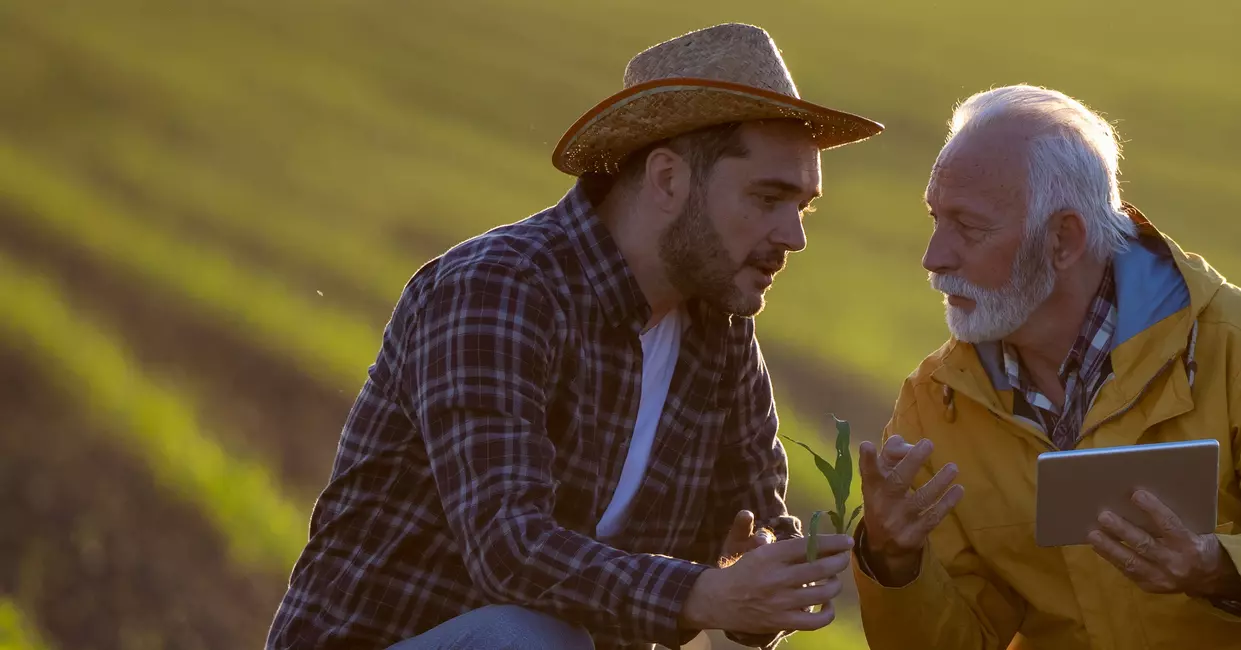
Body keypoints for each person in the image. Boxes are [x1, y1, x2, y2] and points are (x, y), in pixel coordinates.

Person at [264, 23, 884, 650]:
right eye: (769, 197)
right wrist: (703, 592)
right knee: (523, 637)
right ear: (669, 180)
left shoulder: (722, 338)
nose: (794, 235)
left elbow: (755, 536)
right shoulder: (500, 289)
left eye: (803, 207)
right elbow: (508, 546)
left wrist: (761, 574)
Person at [850, 85, 1241, 650]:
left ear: (1063, 239)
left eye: (969, 228)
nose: (934, 256)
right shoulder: (934, 405)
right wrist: (894, 563)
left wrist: (1218, 567)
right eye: (935, 218)